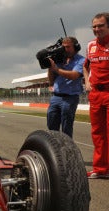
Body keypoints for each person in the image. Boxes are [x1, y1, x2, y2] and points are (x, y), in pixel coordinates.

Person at [83, 12, 109, 179]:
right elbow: (86, 66)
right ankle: (100, 169)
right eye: (94, 26)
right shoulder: (90, 45)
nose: (97, 29)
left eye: (100, 25)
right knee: (97, 133)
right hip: (95, 94)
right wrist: (87, 81)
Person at [46, 36, 85, 138]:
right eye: (63, 47)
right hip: (56, 97)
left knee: (66, 128)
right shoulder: (59, 60)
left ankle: (67, 151)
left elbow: (74, 75)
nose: (65, 49)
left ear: (76, 47)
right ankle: (54, 149)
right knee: (51, 126)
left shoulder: (81, 60)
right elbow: (51, 81)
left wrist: (56, 69)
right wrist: (50, 68)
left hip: (70, 98)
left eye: (68, 47)